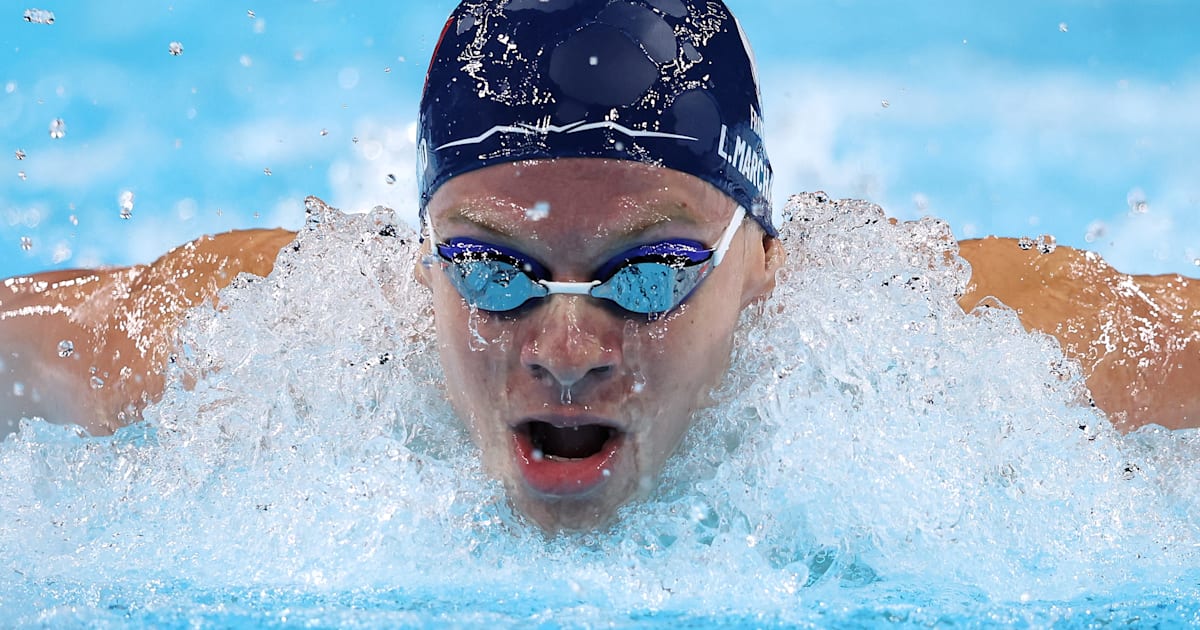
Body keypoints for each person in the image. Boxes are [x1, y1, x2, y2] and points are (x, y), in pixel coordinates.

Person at [1, 0, 1197, 531]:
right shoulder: (264, 348)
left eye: (649, 271)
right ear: (420, 266)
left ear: (763, 265)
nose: (564, 350)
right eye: (490, 269)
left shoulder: (952, 351)